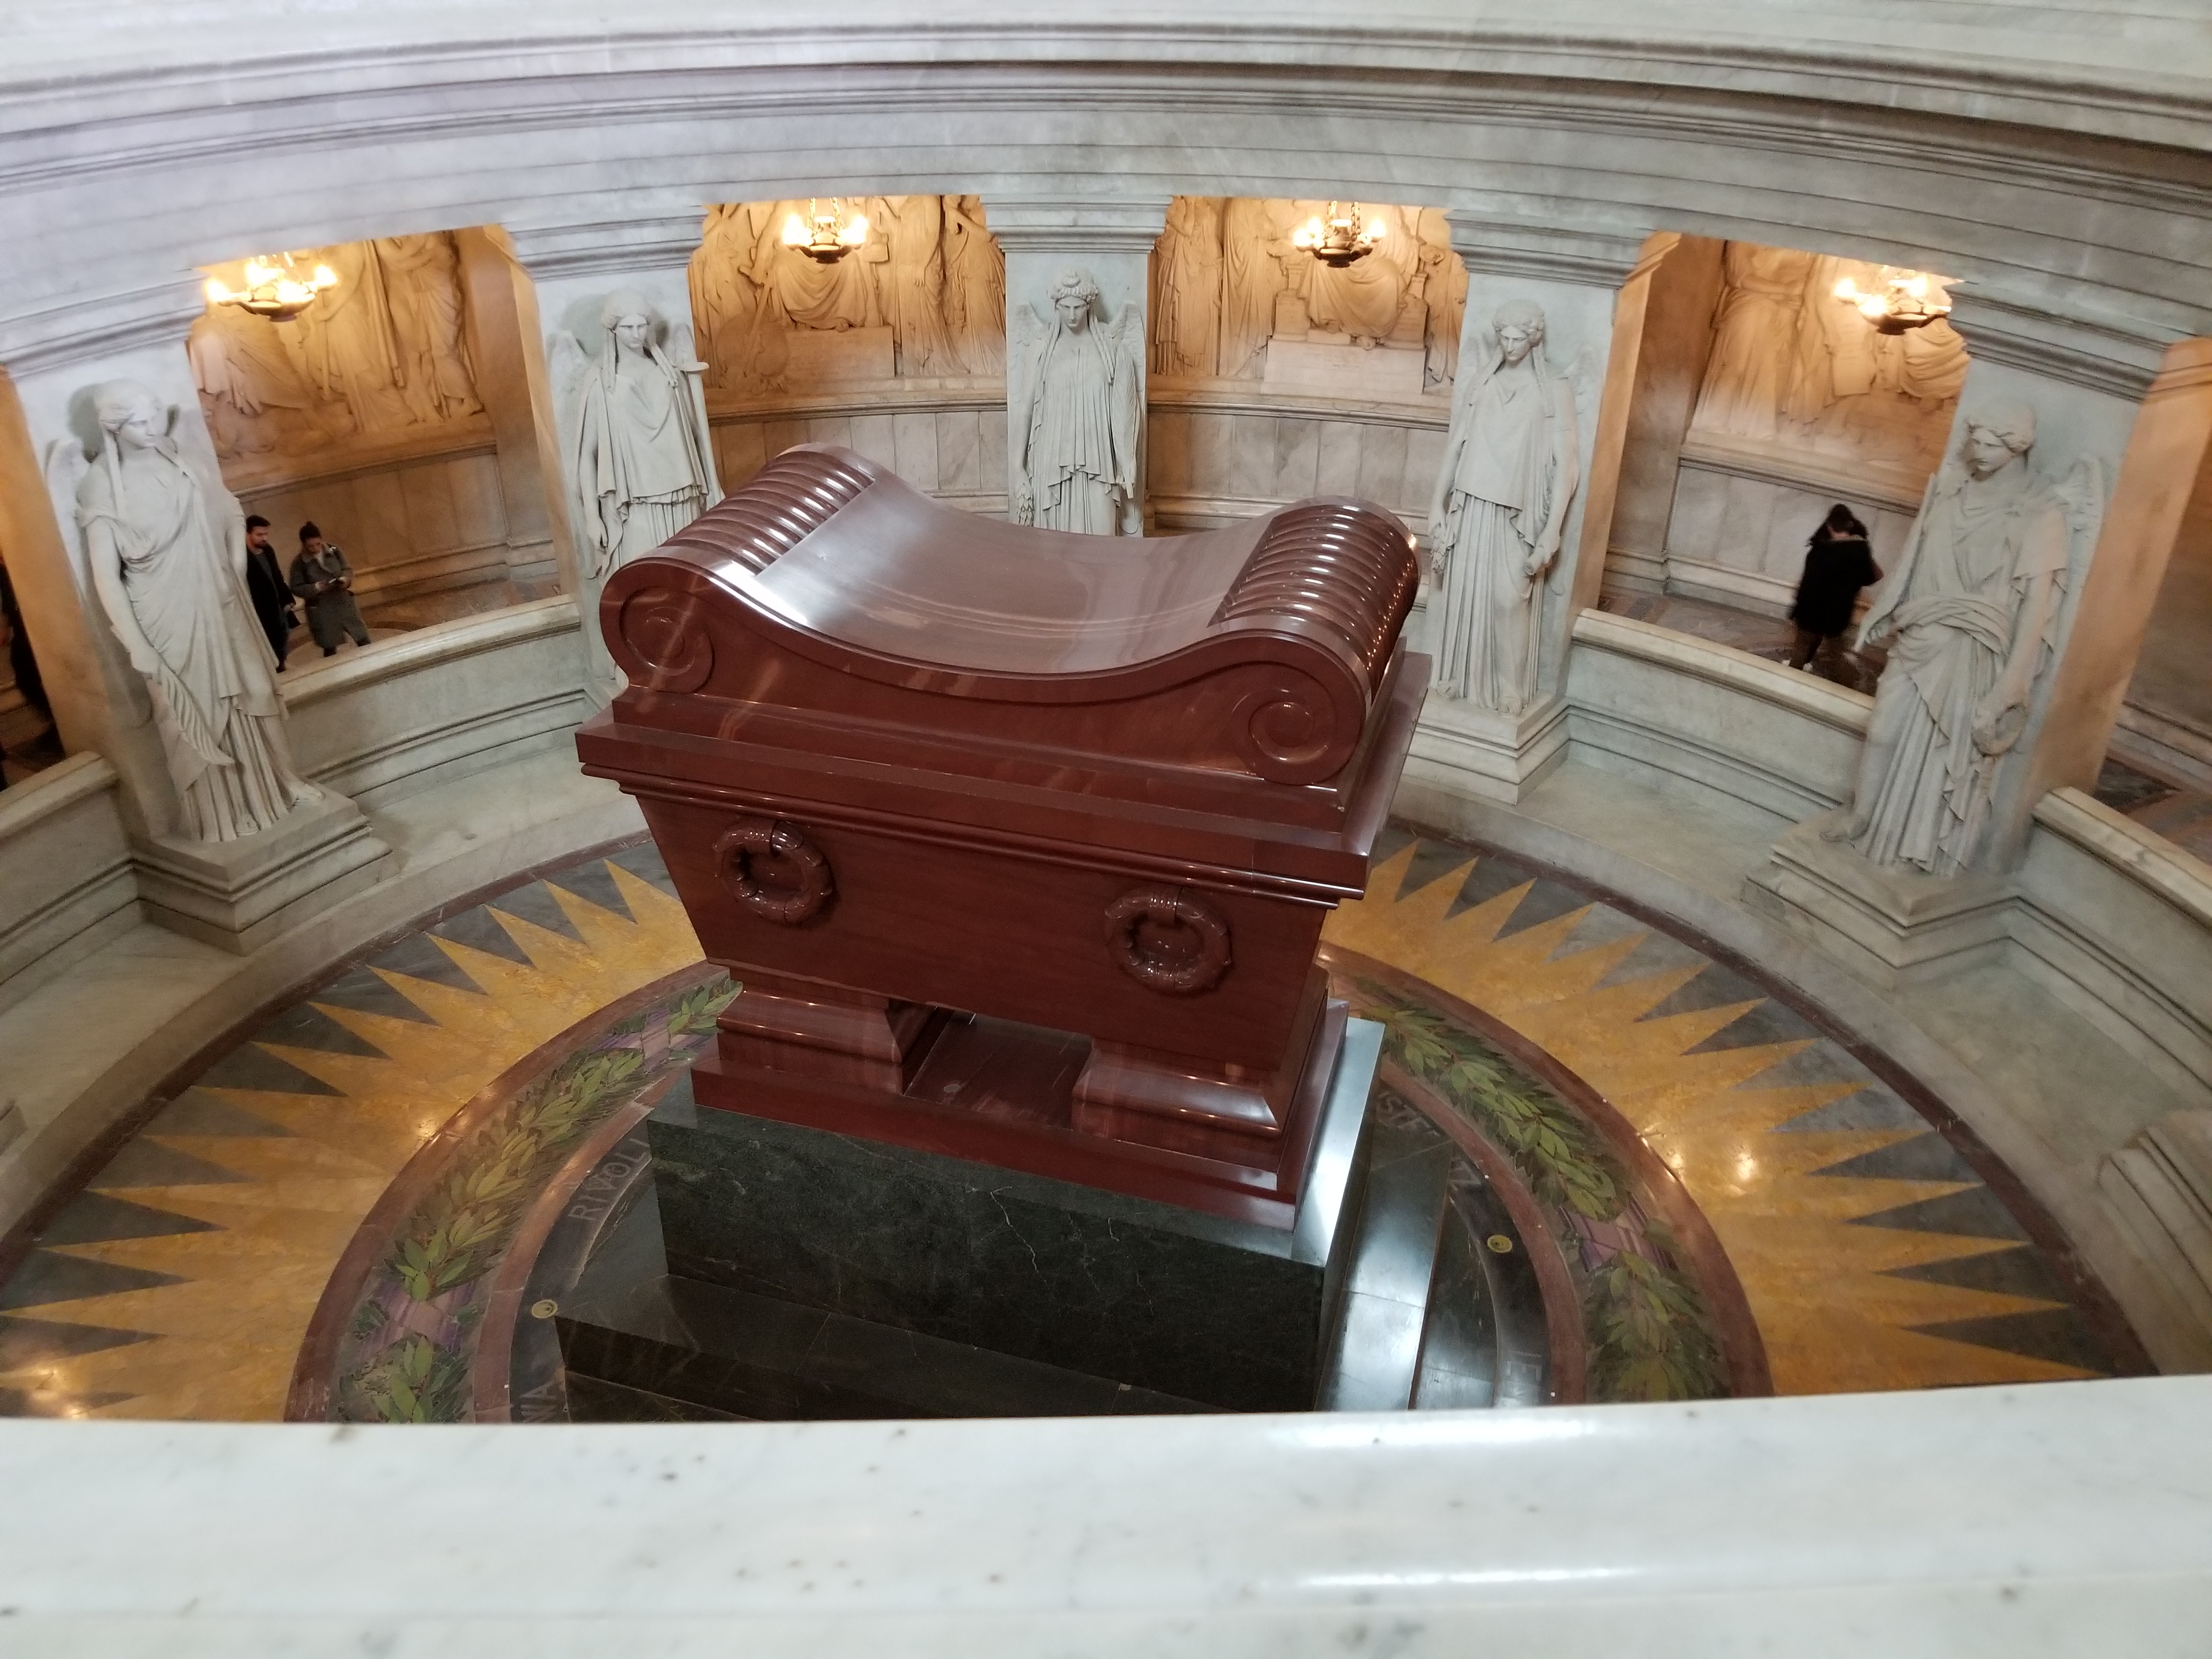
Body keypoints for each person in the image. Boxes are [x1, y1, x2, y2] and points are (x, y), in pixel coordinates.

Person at [74, 381, 317, 840]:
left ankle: (282, 785)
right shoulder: (102, 485)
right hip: (164, 613)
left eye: (154, 418)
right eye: (140, 423)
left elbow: (229, 510)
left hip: (216, 597)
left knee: (254, 693)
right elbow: (107, 576)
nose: (151, 429)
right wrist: (137, 643)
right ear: (116, 428)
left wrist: (235, 564)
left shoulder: (176, 458)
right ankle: (222, 816)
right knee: (193, 718)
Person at [1428, 298, 1581, 714]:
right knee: (1464, 596)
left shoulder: (1553, 390)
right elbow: (1456, 447)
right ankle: (1457, 677)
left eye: (1519, 338)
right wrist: (1436, 505)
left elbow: (1566, 463)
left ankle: (1509, 686)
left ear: (1533, 340)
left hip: (1517, 515)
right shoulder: (1483, 381)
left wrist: (1552, 532)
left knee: (1508, 599)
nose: (1511, 346)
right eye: (1504, 337)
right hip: (1471, 504)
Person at [1787, 504, 1881, 676]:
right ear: (1850, 525)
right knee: (1836, 656)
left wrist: (1796, 612)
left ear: (1829, 526)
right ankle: (1846, 690)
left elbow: (1808, 587)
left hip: (1812, 613)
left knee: (1800, 652)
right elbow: (1870, 578)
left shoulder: (1820, 551)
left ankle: (1788, 688)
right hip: (1839, 614)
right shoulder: (1860, 551)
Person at [0, 557, 59, 791]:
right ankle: (55, 720)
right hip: (25, 624)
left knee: (28, 676)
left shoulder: (8, 569)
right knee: (27, 677)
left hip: (32, 623)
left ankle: (57, 721)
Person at [289, 522, 370, 657]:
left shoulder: (334, 550)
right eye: (311, 546)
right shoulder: (300, 563)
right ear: (304, 545)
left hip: (343, 602)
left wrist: (345, 580)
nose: (315, 549)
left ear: (321, 540)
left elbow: (347, 569)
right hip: (322, 609)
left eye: (318, 544)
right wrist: (316, 588)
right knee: (329, 645)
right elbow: (296, 587)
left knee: (362, 637)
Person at [241, 515, 296, 670]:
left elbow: (277, 576)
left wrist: (286, 599)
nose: (264, 538)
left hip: (276, 606)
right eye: (259, 535)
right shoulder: (242, 556)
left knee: (282, 642)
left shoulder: (267, 550)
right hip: (259, 608)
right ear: (248, 534)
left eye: (266, 534)